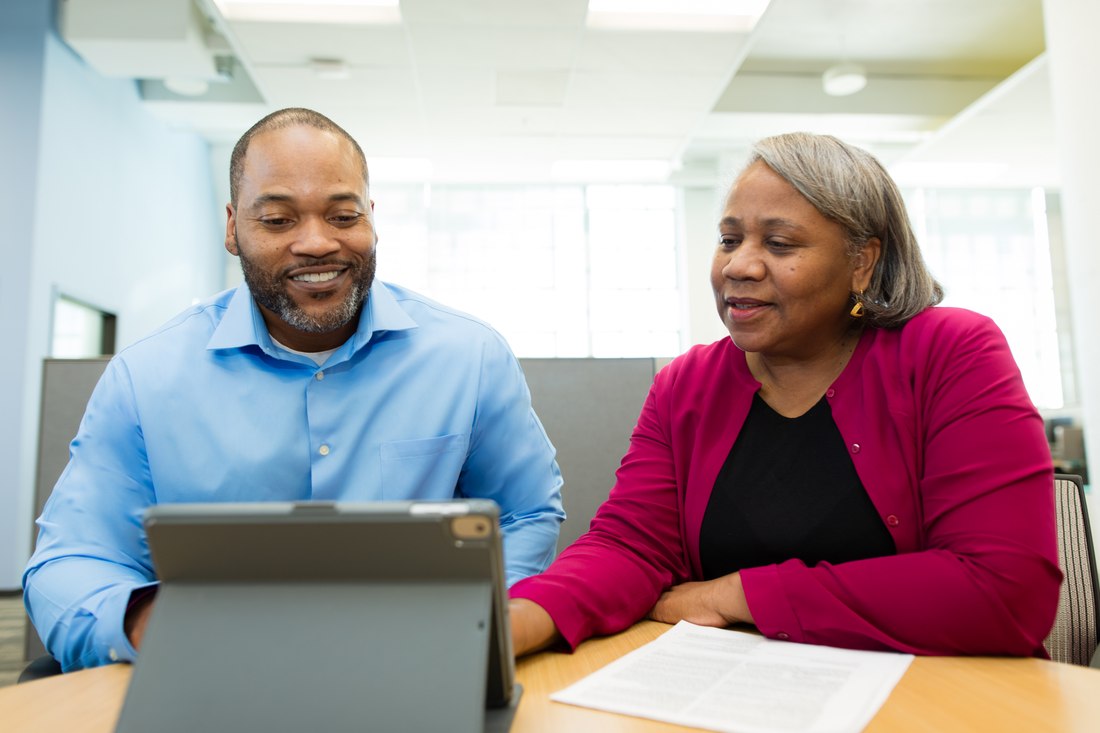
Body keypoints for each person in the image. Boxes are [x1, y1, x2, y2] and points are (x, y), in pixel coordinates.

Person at [24, 108, 564, 672]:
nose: (317, 243)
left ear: (372, 220)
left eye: (343, 215)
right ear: (233, 228)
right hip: (217, 674)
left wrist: (476, 626)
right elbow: (72, 559)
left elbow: (526, 515)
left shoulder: (469, 358)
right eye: (278, 219)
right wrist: (146, 621)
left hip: (417, 665)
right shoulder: (146, 377)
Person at [509, 132, 1061, 658]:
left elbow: (1003, 590)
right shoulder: (687, 383)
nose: (738, 266)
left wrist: (738, 595)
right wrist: (516, 623)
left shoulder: (949, 351)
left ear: (862, 263)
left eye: (779, 243)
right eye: (729, 240)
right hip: (740, 692)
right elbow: (628, 547)